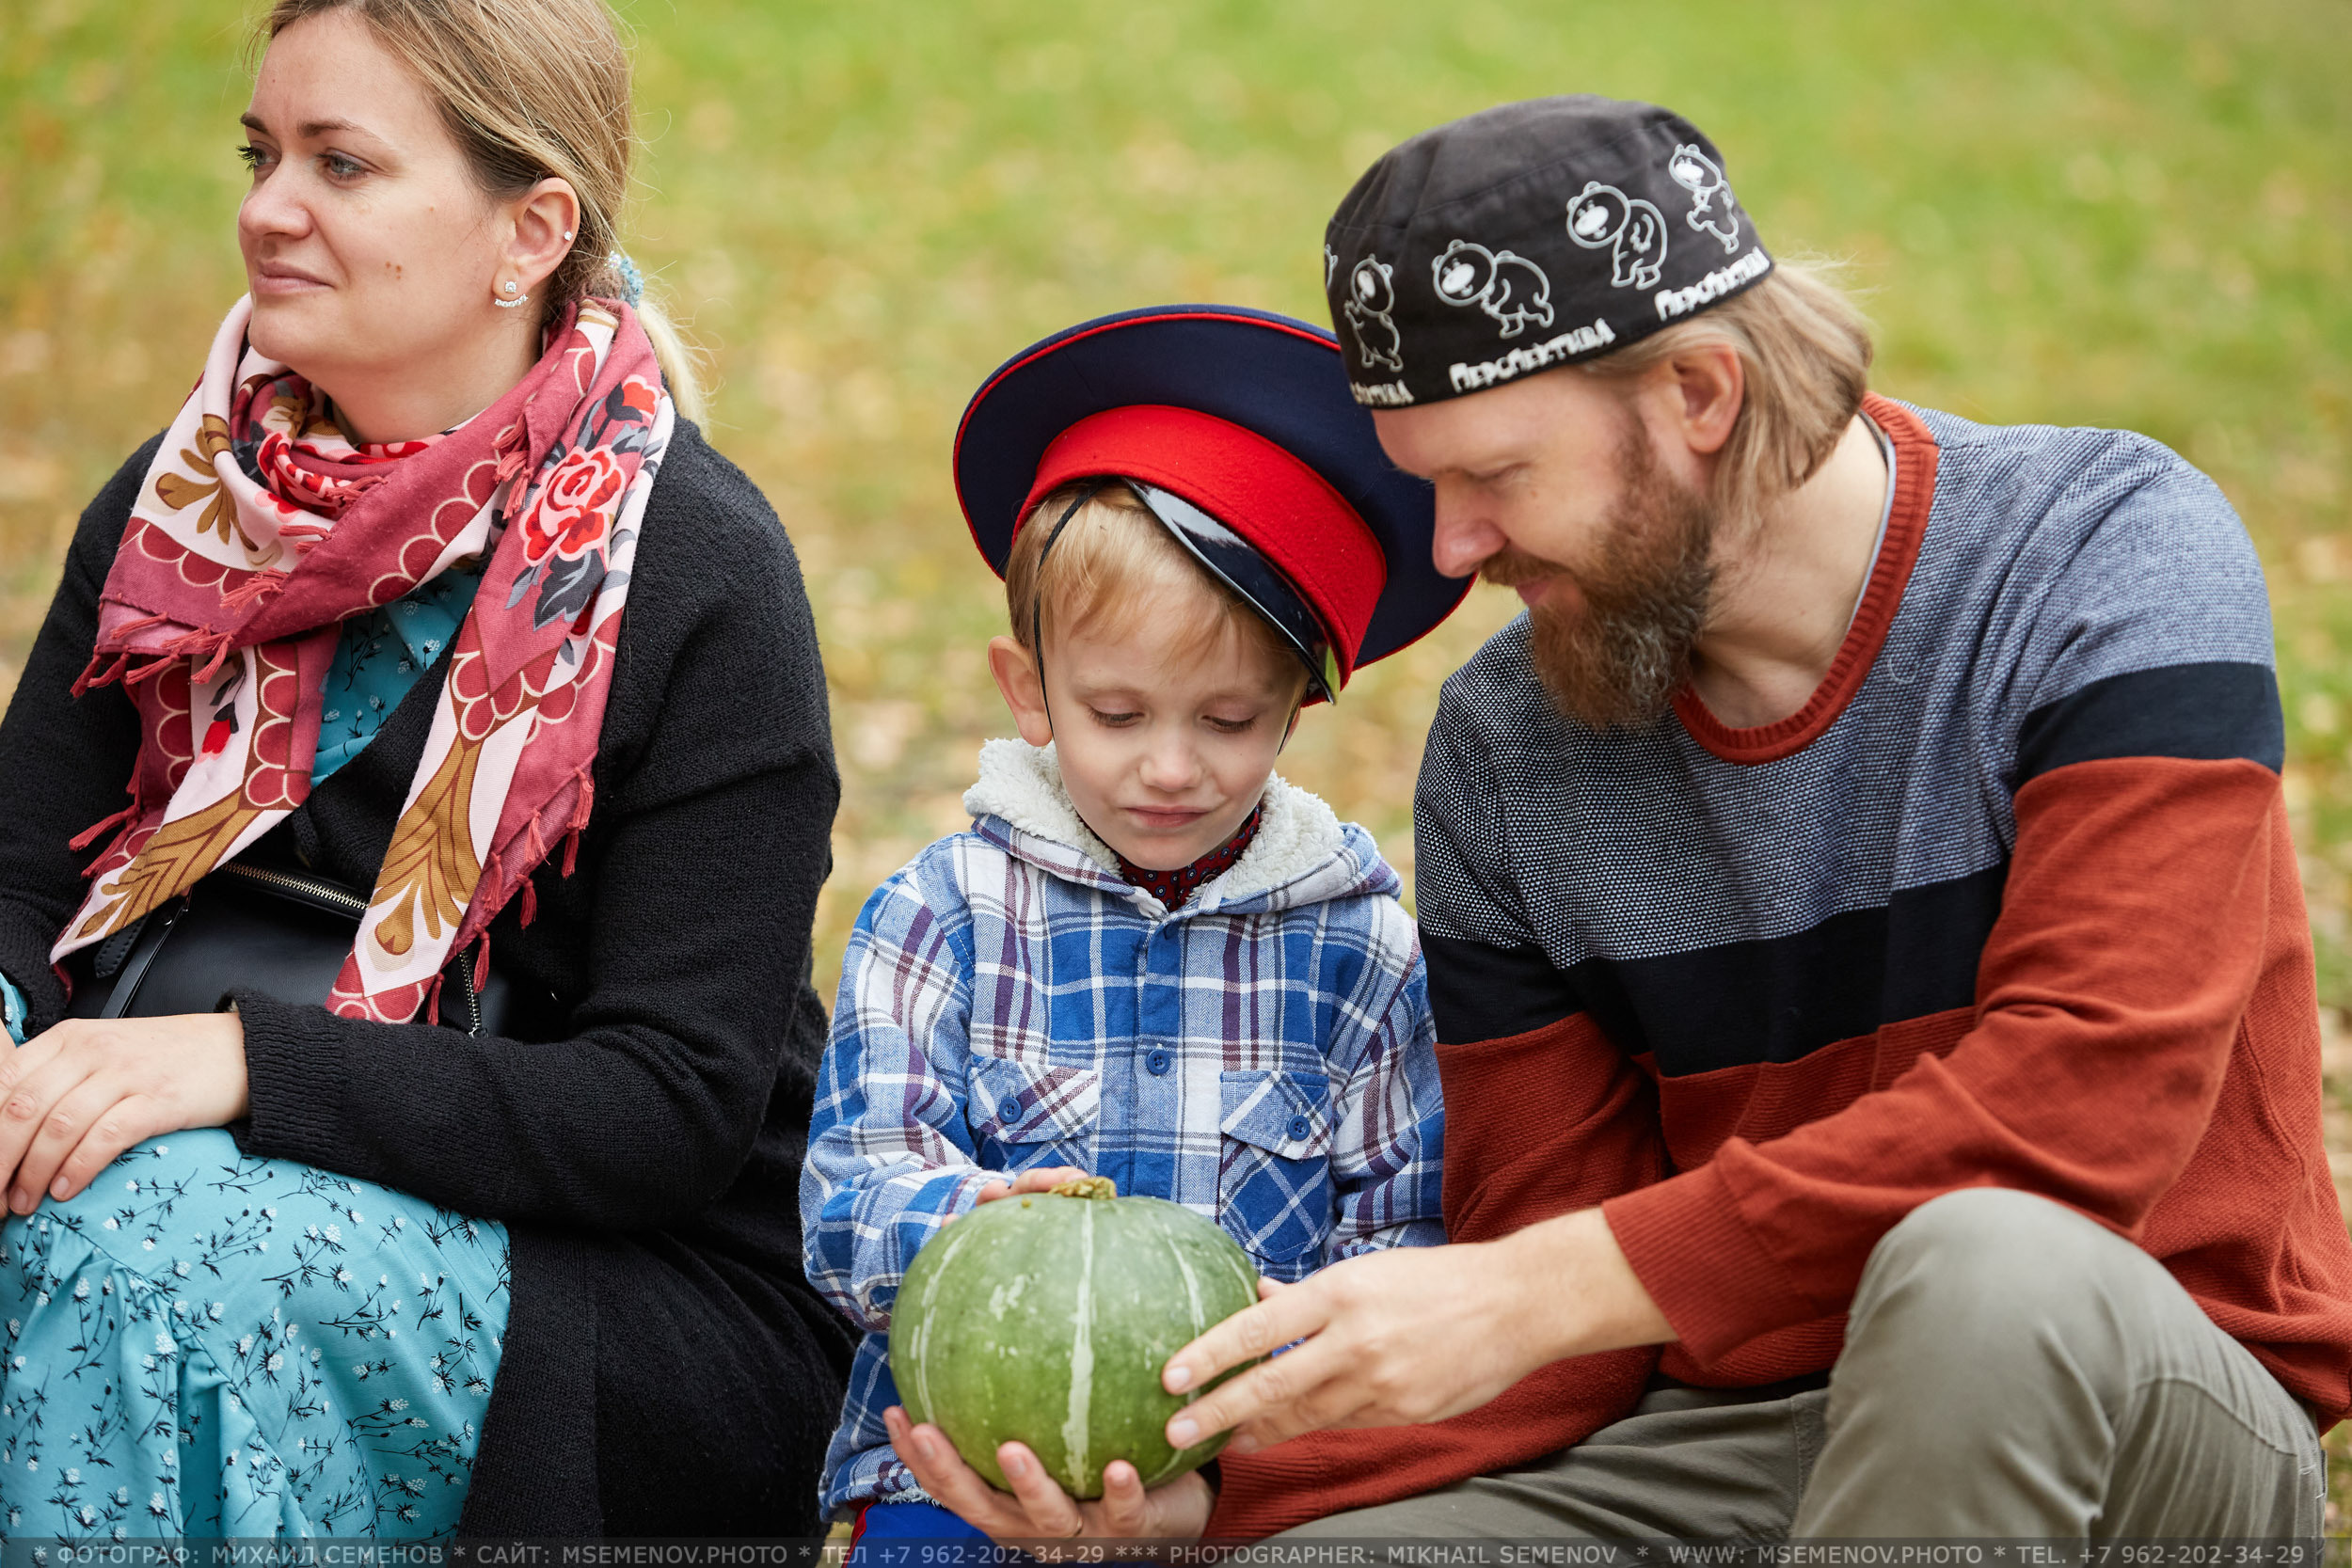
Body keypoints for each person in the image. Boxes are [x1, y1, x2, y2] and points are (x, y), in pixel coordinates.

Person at [907, 98, 2352, 1541]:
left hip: (2127, 1404)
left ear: (1701, 399)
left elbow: (2084, 1111)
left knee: (1978, 1267)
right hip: (1729, 1450)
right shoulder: (1503, 748)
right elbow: (1548, 1317)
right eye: (1429, 491)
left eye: (1492, 479)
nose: (1454, 551)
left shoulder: (2099, 559)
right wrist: (1205, 1496)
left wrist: (1548, 1286)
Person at [0, 0, 850, 1539]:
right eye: (262, 152)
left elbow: (667, 1107)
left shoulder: (698, 574)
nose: (268, 208)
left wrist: (247, 1066)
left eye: (342, 163)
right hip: (178, 1134)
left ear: (527, 232)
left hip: (625, 1284)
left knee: (149, 1256)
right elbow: (19, 879)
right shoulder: (181, 506)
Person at [800, 306, 1463, 1550]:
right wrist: (979, 1230)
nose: (1171, 767)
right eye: (1117, 712)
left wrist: (1296, 1345)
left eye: (1226, 721)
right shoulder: (940, 920)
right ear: (1030, 691)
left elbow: (1404, 1238)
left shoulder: (1360, 957)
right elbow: (844, 1209)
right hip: (954, 1491)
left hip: (1247, 1499)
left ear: (1290, 714)